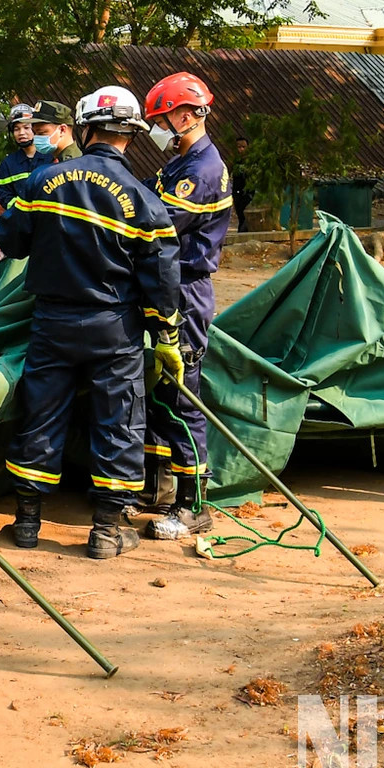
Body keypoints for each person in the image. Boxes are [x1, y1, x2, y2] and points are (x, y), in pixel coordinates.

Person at [0, 86, 182, 560]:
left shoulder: (41, 181)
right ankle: (104, 531)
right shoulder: (144, 199)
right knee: (118, 422)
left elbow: (11, 241)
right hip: (114, 329)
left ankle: (27, 522)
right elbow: (162, 277)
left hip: (52, 323)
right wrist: (168, 334)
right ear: (131, 135)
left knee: (41, 414)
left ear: (85, 128)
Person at [139, 72, 232, 540]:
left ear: (185, 115)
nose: (156, 128)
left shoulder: (202, 169)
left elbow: (157, 220)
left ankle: (194, 505)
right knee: (158, 394)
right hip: (168, 286)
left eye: (160, 119)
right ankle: (156, 488)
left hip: (187, 292)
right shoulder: (180, 161)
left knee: (181, 396)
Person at [0, 100, 78, 210]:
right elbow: (4, 194)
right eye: (16, 129)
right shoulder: (9, 163)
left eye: (27, 128)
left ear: (62, 130)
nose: (21, 133)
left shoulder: (57, 159)